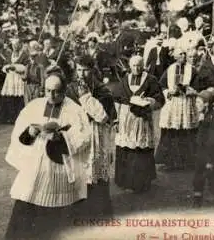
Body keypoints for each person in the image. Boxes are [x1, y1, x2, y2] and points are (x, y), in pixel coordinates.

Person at [4, 68, 92, 240]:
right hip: (35, 166)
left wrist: (61, 137)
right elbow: (19, 133)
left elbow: (84, 138)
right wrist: (29, 132)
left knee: (56, 216)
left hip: (59, 167)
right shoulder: (34, 105)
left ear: (64, 91)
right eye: (48, 91)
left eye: (56, 92)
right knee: (26, 204)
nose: (51, 96)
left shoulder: (74, 110)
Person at [65, 55, 117, 217]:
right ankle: (79, 208)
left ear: (93, 71)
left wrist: (86, 98)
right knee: (79, 169)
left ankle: (99, 208)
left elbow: (103, 116)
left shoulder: (102, 90)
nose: (81, 74)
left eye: (85, 70)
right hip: (77, 133)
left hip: (96, 134)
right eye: (78, 70)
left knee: (96, 168)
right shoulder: (70, 88)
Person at [113, 55, 164, 190]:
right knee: (126, 147)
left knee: (140, 148)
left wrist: (148, 101)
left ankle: (141, 181)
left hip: (142, 120)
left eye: (139, 65)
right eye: (134, 65)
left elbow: (159, 99)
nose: (137, 68)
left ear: (143, 66)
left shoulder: (151, 80)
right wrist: (116, 119)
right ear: (130, 66)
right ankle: (125, 180)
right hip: (126, 120)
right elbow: (117, 100)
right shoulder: (125, 80)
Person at [1, 37, 29, 123]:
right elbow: (4, 65)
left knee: (19, 98)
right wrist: (7, 68)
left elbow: (26, 67)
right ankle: (11, 117)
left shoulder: (24, 55)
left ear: (20, 45)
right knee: (10, 97)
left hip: (18, 78)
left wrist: (16, 67)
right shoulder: (10, 54)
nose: (15, 47)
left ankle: (19, 116)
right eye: (13, 45)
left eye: (16, 45)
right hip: (10, 78)